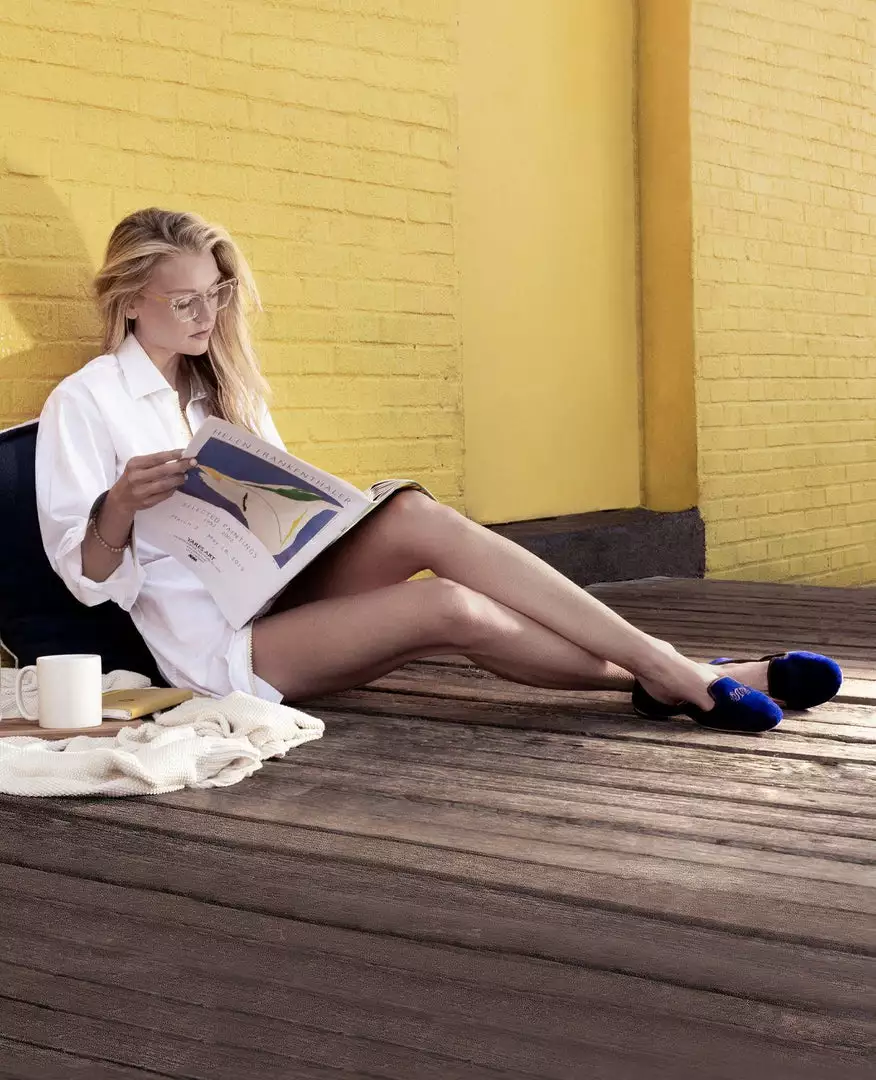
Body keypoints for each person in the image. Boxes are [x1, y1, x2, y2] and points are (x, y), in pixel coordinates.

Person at [34, 208, 842, 734]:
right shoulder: (87, 401)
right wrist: (119, 506)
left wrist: (321, 516)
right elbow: (86, 579)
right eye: (185, 302)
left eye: (217, 295)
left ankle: (665, 665)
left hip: (279, 587)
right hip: (224, 649)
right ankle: (680, 674)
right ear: (130, 300)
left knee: (414, 513)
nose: (208, 317)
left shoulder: (223, 391)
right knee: (446, 605)